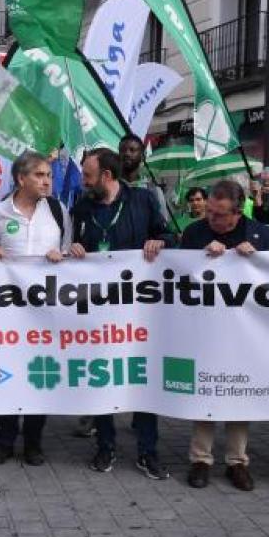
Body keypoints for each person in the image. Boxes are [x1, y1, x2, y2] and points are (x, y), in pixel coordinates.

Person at [70, 149, 173, 478]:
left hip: (138, 311)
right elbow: (73, 248)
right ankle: (105, 445)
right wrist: (74, 250)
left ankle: (148, 450)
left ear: (107, 176)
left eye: (88, 175)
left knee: (141, 377)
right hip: (99, 312)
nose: (83, 181)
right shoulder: (82, 207)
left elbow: (168, 235)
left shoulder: (142, 200)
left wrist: (160, 243)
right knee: (102, 375)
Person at [177, 180, 269, 491]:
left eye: (219, 215)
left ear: (237, 212)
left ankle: (237, 461)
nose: (211, 219)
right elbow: (178, 276)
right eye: (209, 212)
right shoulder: (194, 233)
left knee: (238, 391)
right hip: (205, 328)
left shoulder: (262, 235)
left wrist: (257, 259)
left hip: (246, 330)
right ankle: (200, 459)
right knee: (205, 388)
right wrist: (201, 258)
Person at [0, 151, 72, 466]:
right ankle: (5, 440)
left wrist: (64, 255)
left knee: (39, 374)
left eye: (49, 175)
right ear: (21, 179)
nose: (47, 181)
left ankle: (33, 442)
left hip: (45, 311)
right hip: (9, 310)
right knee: (7, 372)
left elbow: (69, 253)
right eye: (39, 175)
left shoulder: (58, 211)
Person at [118, 134, 174, 227]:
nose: (127, 154)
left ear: (142, 156)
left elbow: (162, 225)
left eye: (132, 150)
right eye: (123, 150)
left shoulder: (152, 189)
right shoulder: (111, 187)